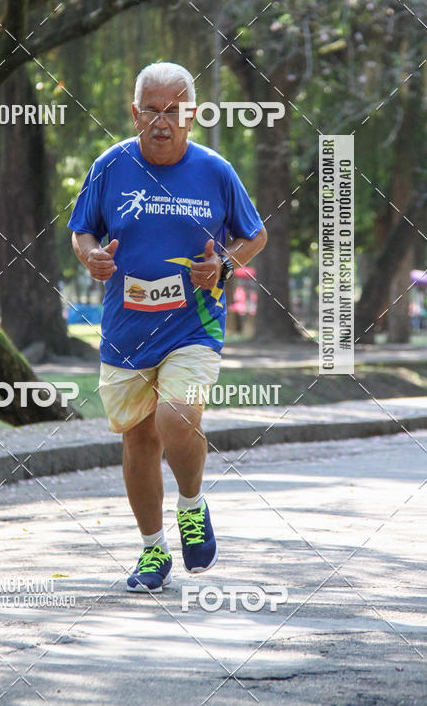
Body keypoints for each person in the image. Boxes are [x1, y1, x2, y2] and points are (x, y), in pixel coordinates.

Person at [68, 62, 267, 593]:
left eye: (174, 111)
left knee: (177, 417)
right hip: (126, 330)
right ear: (135, 114)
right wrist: (92, 258)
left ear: (192, 116)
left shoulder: (215, 171)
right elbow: (82, 231)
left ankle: (193, 505)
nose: (163, 121)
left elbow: (256, 235)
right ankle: (153, 550)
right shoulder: (110, 167)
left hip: (194, 326)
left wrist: (223, 261)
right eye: (151, 110)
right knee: (137, 439)